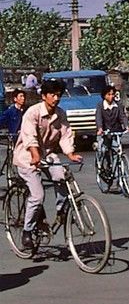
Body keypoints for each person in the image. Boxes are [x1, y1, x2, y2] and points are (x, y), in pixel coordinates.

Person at [13, 79, 82, 249]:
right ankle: (27, 231)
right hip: (27, 156)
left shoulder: (60, 113)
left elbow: (66, 134)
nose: (56, 98)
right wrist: (35, 155)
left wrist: (70, 153)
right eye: (53, 95)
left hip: (48, 154)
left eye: (59, 95)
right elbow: (29, 137)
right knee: (37, 195)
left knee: (62, 177)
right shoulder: (33, 112)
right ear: (44, 96)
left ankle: (61, 211)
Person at [95, 85, 129, 159]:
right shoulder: (100, 105)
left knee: (117, 148)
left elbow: (122, 116)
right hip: (105, 131)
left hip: (116, 130)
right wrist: (100, 128)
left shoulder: (118, 105)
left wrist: (127, 127)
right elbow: (99, 117)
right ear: (104, 95)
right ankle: (102, 166)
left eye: (112, 94)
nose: (111, 96)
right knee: (103, 150)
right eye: (109, 94)